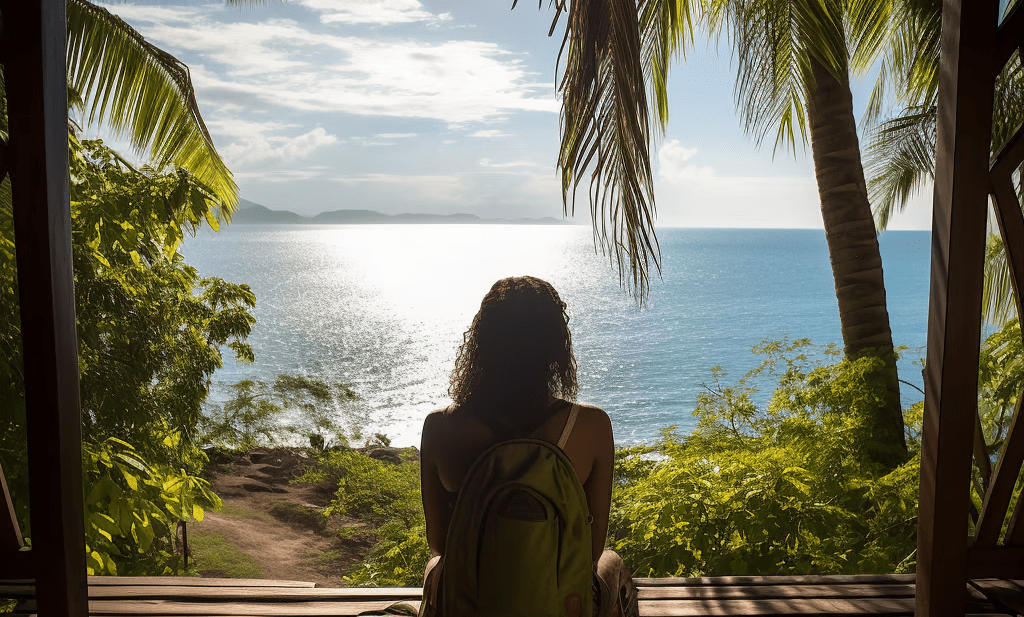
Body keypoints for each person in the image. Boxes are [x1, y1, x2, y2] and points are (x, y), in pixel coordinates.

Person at [419, 276, 639, 617]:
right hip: (560, 605)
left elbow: (440, 543)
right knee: (612, 561)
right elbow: (591, 553)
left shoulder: (439, 427)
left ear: (482, 343)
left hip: (471, 606)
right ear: (555, 345)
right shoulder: (592, 426)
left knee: (435, 565)